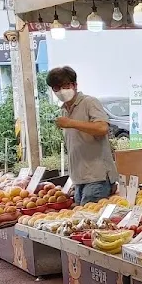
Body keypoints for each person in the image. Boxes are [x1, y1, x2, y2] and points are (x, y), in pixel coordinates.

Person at [47, 66, 119, 205]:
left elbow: (102, 127)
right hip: (79, 179)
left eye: (65, 86)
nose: (61, 91)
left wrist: (71, 123)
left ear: (74, 85)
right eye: (56, 88)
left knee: (90, 219)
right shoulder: (64, 110)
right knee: (82, 220)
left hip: (97, 177)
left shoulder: (89, 102)